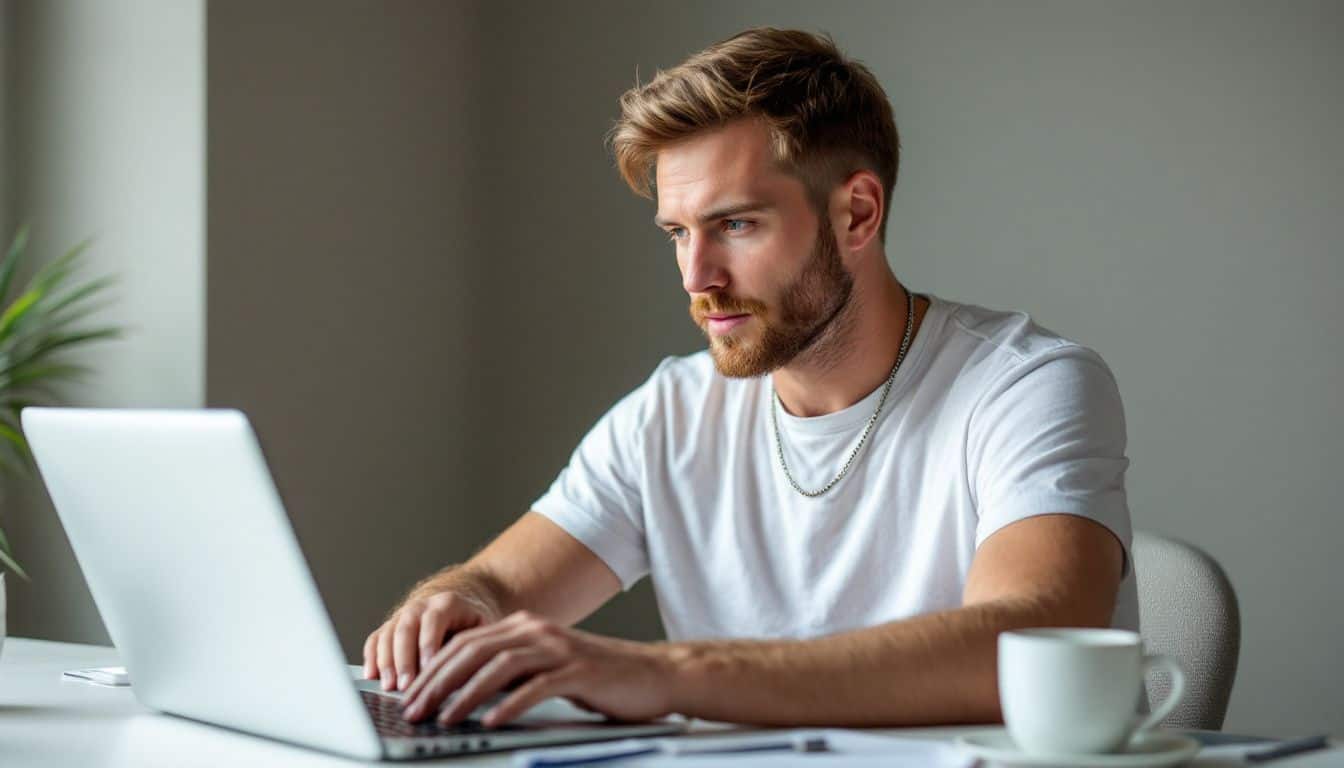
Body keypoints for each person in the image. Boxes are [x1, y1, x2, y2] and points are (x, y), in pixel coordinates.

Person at [365, 27, 1135, 729]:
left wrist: (666, 673)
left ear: (857, 215)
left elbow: (1030, 643)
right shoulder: (671, 413)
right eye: (677, 232)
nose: (697, 276)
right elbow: (496, 589)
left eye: (736, 225)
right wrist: (451, 605)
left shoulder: (1025, 387)